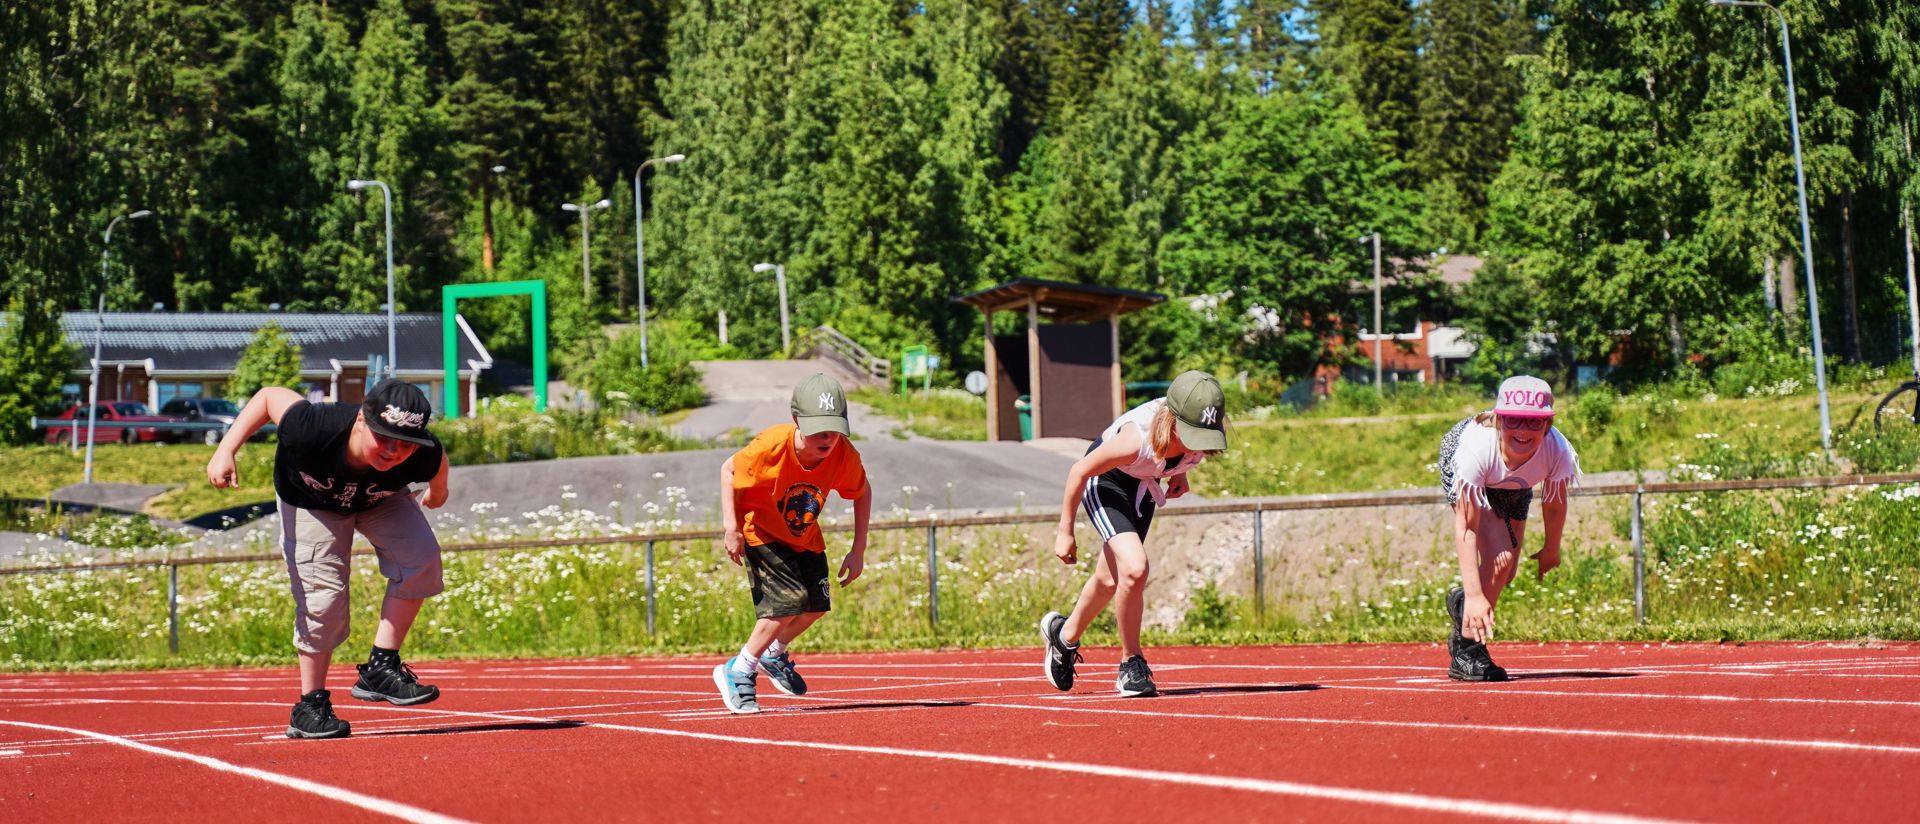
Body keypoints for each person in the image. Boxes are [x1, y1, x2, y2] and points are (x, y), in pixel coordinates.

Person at [207, 380, 451, 738]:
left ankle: (380, 668)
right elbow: (269, 396)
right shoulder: (313, 426)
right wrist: (226, 449)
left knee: (422, 558)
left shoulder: (423, 453)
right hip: (312, 502)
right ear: (361, 421)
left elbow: (439, 463)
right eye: (383, 438)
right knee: (323, 599)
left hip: (377, 499)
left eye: (405, 445)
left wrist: (438, 492)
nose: (393, 451)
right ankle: (310, 706)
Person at [1039, 371, 1229, 697]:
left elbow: (1182, 454)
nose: (1199, 443)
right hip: (1107, 482)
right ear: (1172, 422)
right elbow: (1079, 471)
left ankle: (1063, 635)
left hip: (1142, 485)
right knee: (1135, 568)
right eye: (1192, 435)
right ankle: (1131, 664)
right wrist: (1065, 531)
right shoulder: (1134, 439)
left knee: (1111, 580)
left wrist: (1179, 475)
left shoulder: (1201, 431)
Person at [713, 373, 872, 714]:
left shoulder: (843, 454)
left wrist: (858, 549)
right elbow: (728, 470)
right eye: (818, 428)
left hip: (805, 538)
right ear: (797, 420)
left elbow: (862, 491)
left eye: (834, 428)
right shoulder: (771, 445)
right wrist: (731, 527)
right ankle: (739, 669)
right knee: (787, 602)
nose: (827, 437)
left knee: (816, 606)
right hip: (762, 531)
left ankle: (774, 653)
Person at [1437, 375, 1581, 681]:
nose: (1523, 430)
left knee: (1507, 570)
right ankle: (1467, 648)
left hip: (1514, 483)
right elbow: (1466, 527)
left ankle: (1462, 606)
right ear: (1499, 420)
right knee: (1500, 558)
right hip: (1474, 469)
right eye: (1514, 420)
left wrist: (1551, 548)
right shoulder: (1474, 450)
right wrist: (1476, 594)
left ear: (1548, 426)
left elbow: (1554, 504)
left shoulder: (1558, 450)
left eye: (1534, 422)